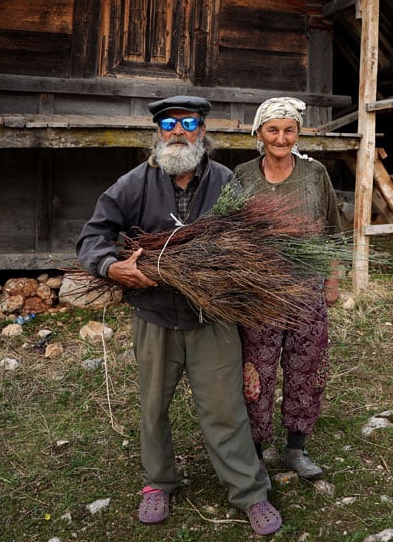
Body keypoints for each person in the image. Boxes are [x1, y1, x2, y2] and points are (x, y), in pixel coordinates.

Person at [75, 95, 282, 536]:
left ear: (202, 132)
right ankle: (158, 482)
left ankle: (249, 492)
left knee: (225, 409)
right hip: (153, 315)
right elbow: (93, 235)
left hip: (213, 317)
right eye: (168, 123)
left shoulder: (225, 181)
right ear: (157, 132)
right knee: (153, 407)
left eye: (188, 122)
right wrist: (112, 266)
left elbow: (250, 240)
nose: (178, 131)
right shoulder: (134, 183)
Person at [233, 96, 343, 482]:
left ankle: (296, 447)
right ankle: (257, 451)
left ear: (298, 134)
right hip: (260, 292)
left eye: (289, 129)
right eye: (273, 129)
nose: (281, 137)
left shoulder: (315, 175)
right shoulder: (243, 175)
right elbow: (229, 233)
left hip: (307, 290)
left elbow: (332, 230)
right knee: (255, 372)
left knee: (306, 367)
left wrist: (332, 278)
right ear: (259, 133)